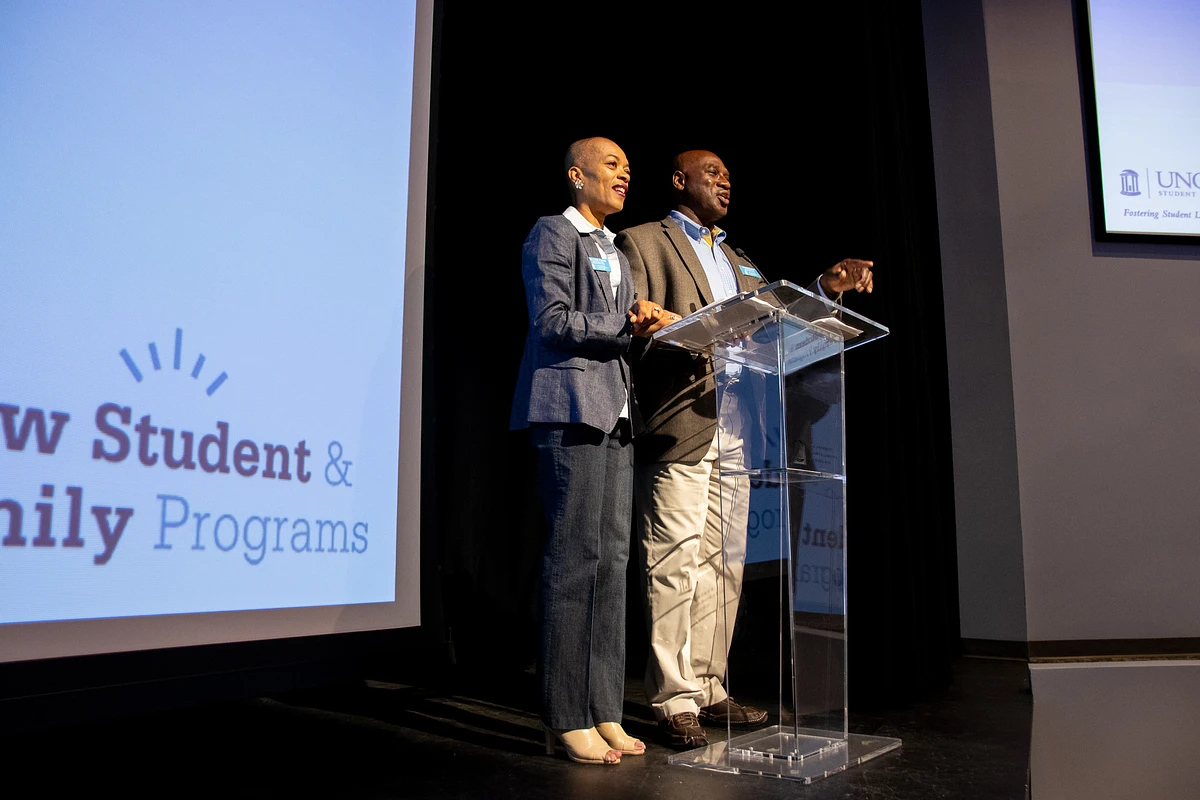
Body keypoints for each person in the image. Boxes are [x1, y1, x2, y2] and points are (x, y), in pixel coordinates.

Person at [615, 149, 874, 749]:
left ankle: (708, 688)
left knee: (724, 566)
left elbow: (775, 324)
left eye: (729, 176)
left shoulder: (740, 261)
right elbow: (631, 327)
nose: (725, 181)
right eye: (713, 174)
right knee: (673, 563)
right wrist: (669, 325)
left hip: (737, 426)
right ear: (680, 180)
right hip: (681, 421)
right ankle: (672, 696)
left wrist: (824, 289)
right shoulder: (643, 242)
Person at [510, 137, 676, 764]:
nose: (623, 175)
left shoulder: (614, 247)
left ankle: (605, 708)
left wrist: (653, 325)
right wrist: (624, 325)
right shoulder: (554, 233)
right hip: (570, 411)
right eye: (612, 166)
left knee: (610, 566)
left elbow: (617, 325)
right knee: (574, 562)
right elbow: (551, 320)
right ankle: (563, 715)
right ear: (576, 176)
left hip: (617, 415)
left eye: (628, 169)